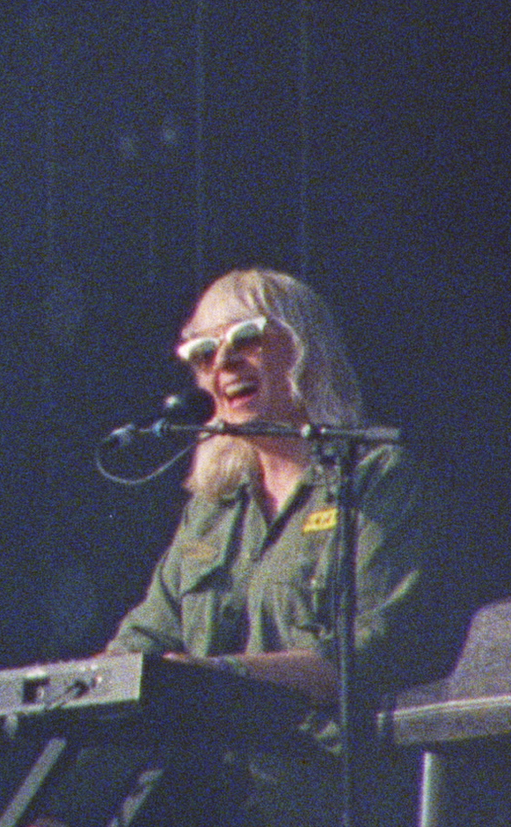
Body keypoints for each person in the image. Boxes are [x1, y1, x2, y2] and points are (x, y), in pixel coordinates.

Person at [35, 268, 453, 826]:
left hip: (329, 798)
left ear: (306, 348)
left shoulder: (378, 479)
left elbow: (379, 653)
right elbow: (142, 647)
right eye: (203, 354)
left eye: (246, 339)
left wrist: (214, 675)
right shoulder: (212, 509)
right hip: (210, 803)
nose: (223, 364)